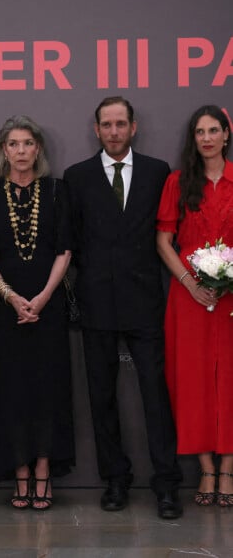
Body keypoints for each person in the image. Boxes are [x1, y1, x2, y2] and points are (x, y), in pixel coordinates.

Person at [63, 96, 183, 519]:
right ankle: (115, 480)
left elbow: (165, 233)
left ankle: (166, 484)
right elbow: (72, 241)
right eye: (106, 125)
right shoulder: (76, 177)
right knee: (101, 398)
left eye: (120, 124)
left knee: (156, 395)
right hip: (96, 303)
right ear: (96, 130)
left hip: (146, 302)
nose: (113, 132)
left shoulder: (157, 172)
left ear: (134, 127)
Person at [0, 115, 74, 510]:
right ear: (3, 150)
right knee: (12, 393)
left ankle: (45, 473)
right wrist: (12, 297)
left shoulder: (56, 191)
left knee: (47, 392)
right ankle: (19, 474)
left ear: (38, 149)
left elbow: (65, 250)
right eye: (13, 144)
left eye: (28, 144)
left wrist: (44, 297)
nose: (20, 151)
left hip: (48, 310)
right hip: (6, 312)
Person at [156, 105, 233, 507]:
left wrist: (228, 279)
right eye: (199, 132)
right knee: (194, 381)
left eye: (213, 131)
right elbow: (164, 242)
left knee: (231, 382)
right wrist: (189, 282)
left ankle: (229, 471)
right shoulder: (178, 182)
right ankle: (206, 468)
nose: (206, 138)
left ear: (226, 134)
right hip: (189, 298)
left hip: (230, 299)